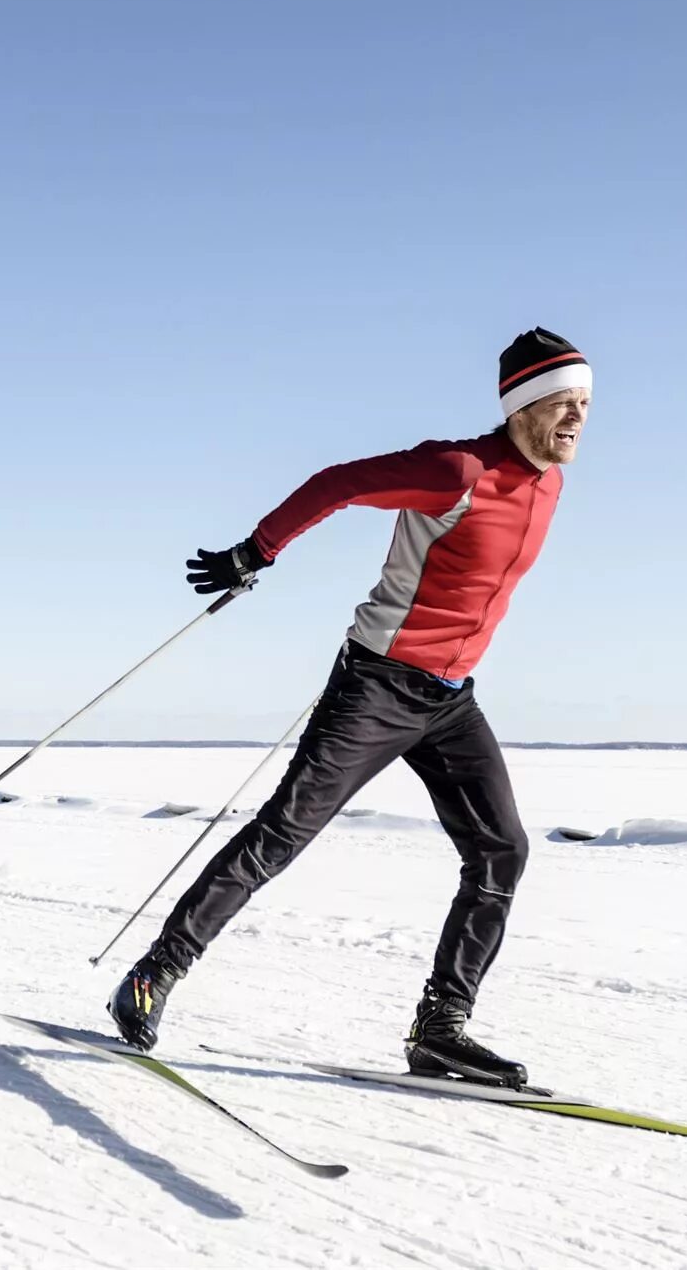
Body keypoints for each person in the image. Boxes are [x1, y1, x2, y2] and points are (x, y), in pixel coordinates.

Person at [108, 328, 593, 1086]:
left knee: (502, 850)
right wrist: (255, 550)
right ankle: (153, 974)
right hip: (376, 685)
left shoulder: (551, 483)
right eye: (564, 401)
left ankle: (441, 1028)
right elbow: (338, 481)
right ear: (523, 404)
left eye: (587, 404)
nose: (578, 418)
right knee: (282, 834)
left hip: (451, 700)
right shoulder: (456, 468)